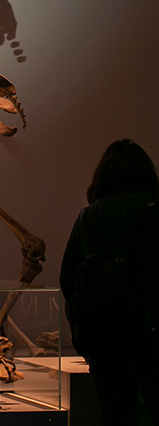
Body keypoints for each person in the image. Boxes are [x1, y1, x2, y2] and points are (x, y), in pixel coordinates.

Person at [60, 139, 159, 425]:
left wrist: (83, 333)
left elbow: (69, 281)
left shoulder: (87, 219)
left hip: (104, 338)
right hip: (149, 333)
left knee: (115, 416)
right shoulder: (153, 212)